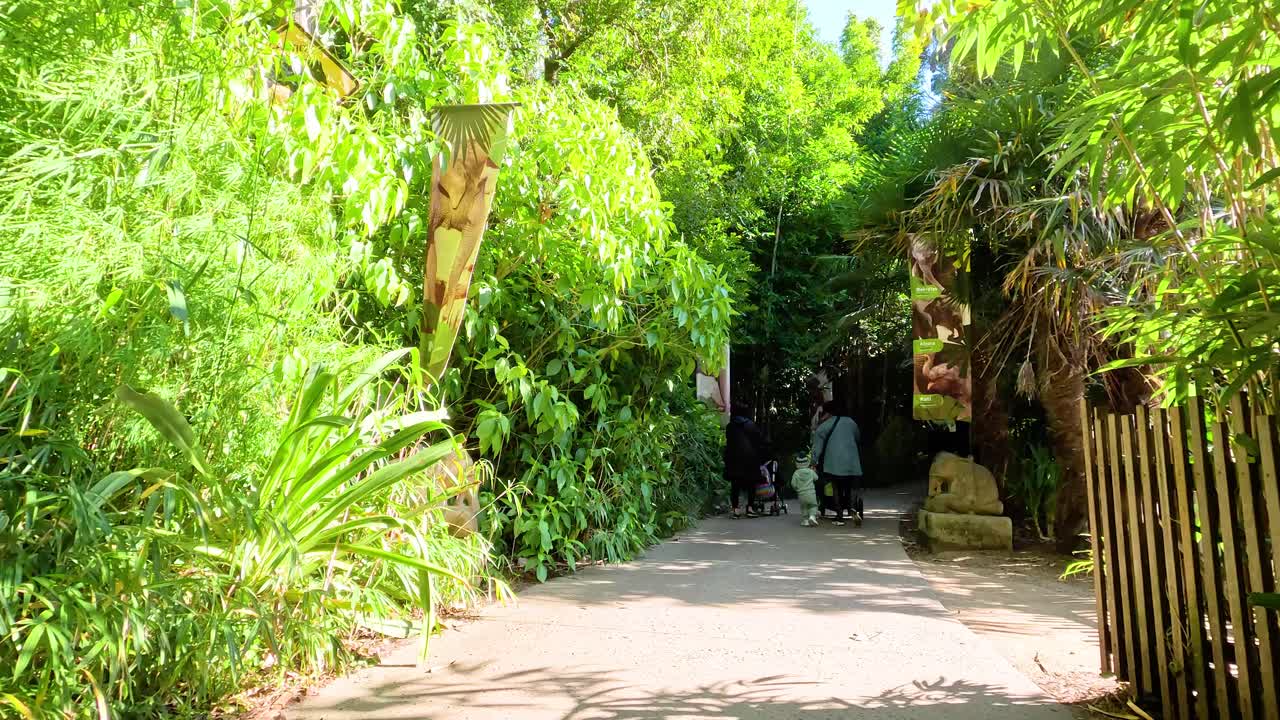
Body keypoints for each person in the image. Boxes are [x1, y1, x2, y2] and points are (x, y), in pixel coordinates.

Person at [811, 400, 863, 526]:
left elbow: (816, 449)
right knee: (851, 486)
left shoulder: (822, 427)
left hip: (833, 464)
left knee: (836, 487)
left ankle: (839, 516)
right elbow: (857, 437)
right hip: (852, 462)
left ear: (828, 413)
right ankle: (852, 508)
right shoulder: (851, 422)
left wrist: (813, 463)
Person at [724, 403, 766, 518]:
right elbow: (759, 442)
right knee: (751, 484)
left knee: (735, 485)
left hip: (734, 459)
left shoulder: (730, 426)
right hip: (750, 459)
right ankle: (750, 508)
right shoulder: (751, 426)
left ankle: (735, 510)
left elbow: (729, 442)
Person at [790, 452, 820, 527]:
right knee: (813, 506)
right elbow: (816, 478)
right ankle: (812, 516)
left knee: (804, 507)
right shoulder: (810, 471)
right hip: (811, 493)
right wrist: (814, 471)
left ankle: (805, 521)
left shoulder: (796, 473)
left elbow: (793, 483)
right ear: (807, 462)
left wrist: (796, 488)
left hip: (801, 494)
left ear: (797, 463)